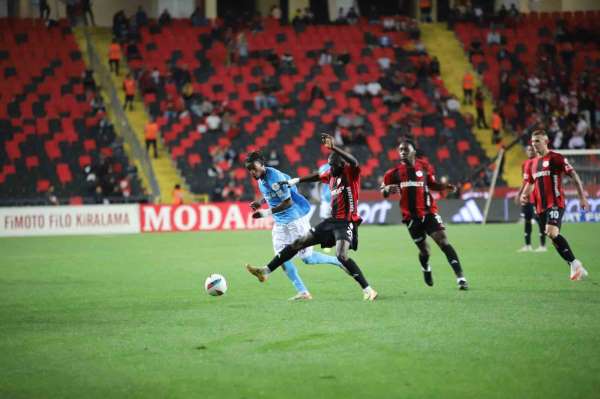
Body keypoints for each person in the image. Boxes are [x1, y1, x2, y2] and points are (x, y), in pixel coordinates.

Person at [246, 134, 378, 301]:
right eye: (329, 166)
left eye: (334, 166)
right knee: (298, 243)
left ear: (341, 165)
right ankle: (266, 270)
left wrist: (333, 147)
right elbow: (317, 175)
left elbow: (354, 162)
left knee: (341, 256)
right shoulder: (331, 174)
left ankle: (368, 289)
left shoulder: (350, 173)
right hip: (331, 221)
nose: (331, 169)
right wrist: (296, 180)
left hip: (347, 222)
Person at [245, 151, 343, 300]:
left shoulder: (275, 177)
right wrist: (260, 202)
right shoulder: (261, 179)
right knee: (281, 258)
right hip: (280, 223)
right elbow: (270, 193)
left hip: (295, 220)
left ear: (262, 165)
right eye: (250, 170)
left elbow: (288, 202)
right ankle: (303, 291)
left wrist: (265, 213)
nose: (253, 172)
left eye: (255, 168)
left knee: (307, 258)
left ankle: (338, 261)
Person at [381, 139, 469, 290]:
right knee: (424, 251)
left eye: (405, 149)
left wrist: (444, 187)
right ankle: (426, 267)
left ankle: (460, 277)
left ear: (413, 151)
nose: (402, 152)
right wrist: (387, 190)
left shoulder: (425, 166)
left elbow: (432, 184)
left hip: (429, 212)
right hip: (410, 217)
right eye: (400, 150)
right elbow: (383, 191)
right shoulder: (393, 173)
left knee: (443, 241)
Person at [520, 130, 589, 280]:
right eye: (532, 141)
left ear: (546, 141)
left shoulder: (556, 158)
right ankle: (573, 264)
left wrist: (582, 198)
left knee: (551, 232)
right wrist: (524, 195)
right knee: (553, 236)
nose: (534, 144)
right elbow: (531, 183)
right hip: (540, 206)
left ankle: (575, 264)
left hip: (555, 202)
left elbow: (574, 175)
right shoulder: (533, 164)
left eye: (537, 141)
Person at [515, 145, 546, 252]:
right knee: (527, 220)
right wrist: (520, 194)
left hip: (537, 197)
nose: (530, 151)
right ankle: (528, 245)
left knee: (539, 220)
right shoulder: (525, 164)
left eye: (532, 149)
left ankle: (542, 245)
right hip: (527, 197)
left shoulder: (539, 162)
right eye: (528, 150)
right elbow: (525, 181)